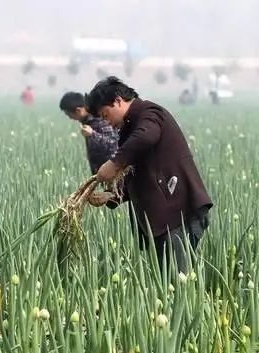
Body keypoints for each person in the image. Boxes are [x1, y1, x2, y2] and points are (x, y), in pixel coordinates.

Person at [87, 76, 213, 275]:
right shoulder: (129, 128)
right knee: (167, 282)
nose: (107, 123)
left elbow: (146, 137)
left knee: (177, 282)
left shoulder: (149, 113)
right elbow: (137, 174)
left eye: (105, 114)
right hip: (164, 220)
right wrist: (112, 196)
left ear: (118, 101)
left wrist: (114, 163)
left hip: (178, 216)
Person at [59, 91, 119, 174]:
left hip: (112, 171)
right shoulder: (87, 120)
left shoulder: (100, 118)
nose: (70, 118)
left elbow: (113, 144)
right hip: (101, 172)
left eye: (69, 114)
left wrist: (92, 134)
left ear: (78, 110)